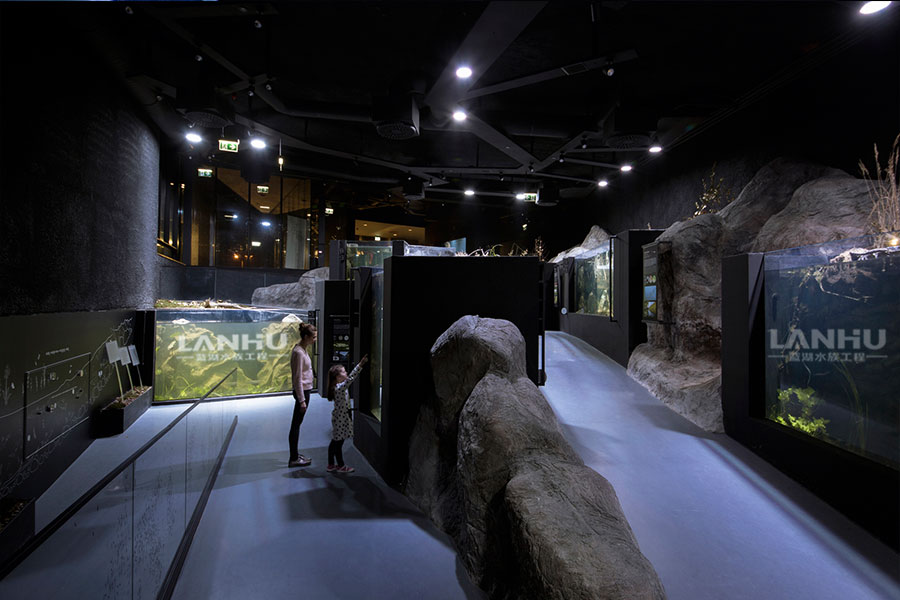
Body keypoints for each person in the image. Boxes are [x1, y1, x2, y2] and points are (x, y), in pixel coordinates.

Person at [325, 354, 368, 473]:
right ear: (338, 377)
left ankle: (331, 464)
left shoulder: (338, 387)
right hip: (341, 419)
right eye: (344, 372)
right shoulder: (340, 388)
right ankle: (341, 465)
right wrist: (360, 365)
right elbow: (351, 378)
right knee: (338, 443)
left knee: (336, 441)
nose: (346, 373)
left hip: (340, 418)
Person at [288, 322, 317, 467]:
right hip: (303, 392)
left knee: (297, 424)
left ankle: (295, 455)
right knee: (296, 425)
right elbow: (297, 378)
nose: (315, 340)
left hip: (305, 390)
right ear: (306, 337)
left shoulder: (303, 350)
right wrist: (302, 400)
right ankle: (293, 458)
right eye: (313, 337)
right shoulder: (299, 352)